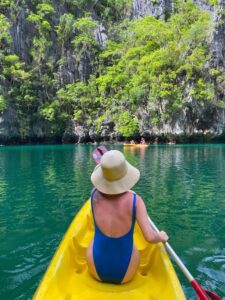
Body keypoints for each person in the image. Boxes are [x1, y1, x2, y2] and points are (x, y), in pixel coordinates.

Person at [86, 150, 168, 284]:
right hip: (125, 275)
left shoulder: (94, 195)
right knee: (133, 246)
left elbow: (99, 188)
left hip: (95, 270)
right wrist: (161, 237)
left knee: (93, 240)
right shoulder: (136, 201)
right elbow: (150, 237)